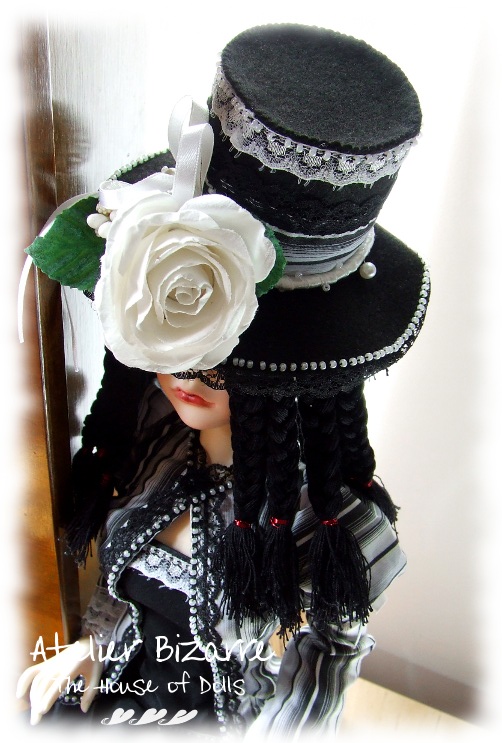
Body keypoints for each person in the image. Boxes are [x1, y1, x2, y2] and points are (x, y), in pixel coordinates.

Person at [17, 23, 429, 738]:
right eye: (171, 333)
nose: (187, 373)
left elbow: (312, 693)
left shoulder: (334, 527)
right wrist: (93, 651)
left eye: (233, 360)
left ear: (299, 378)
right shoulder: (156, 446)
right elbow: (126, 603)